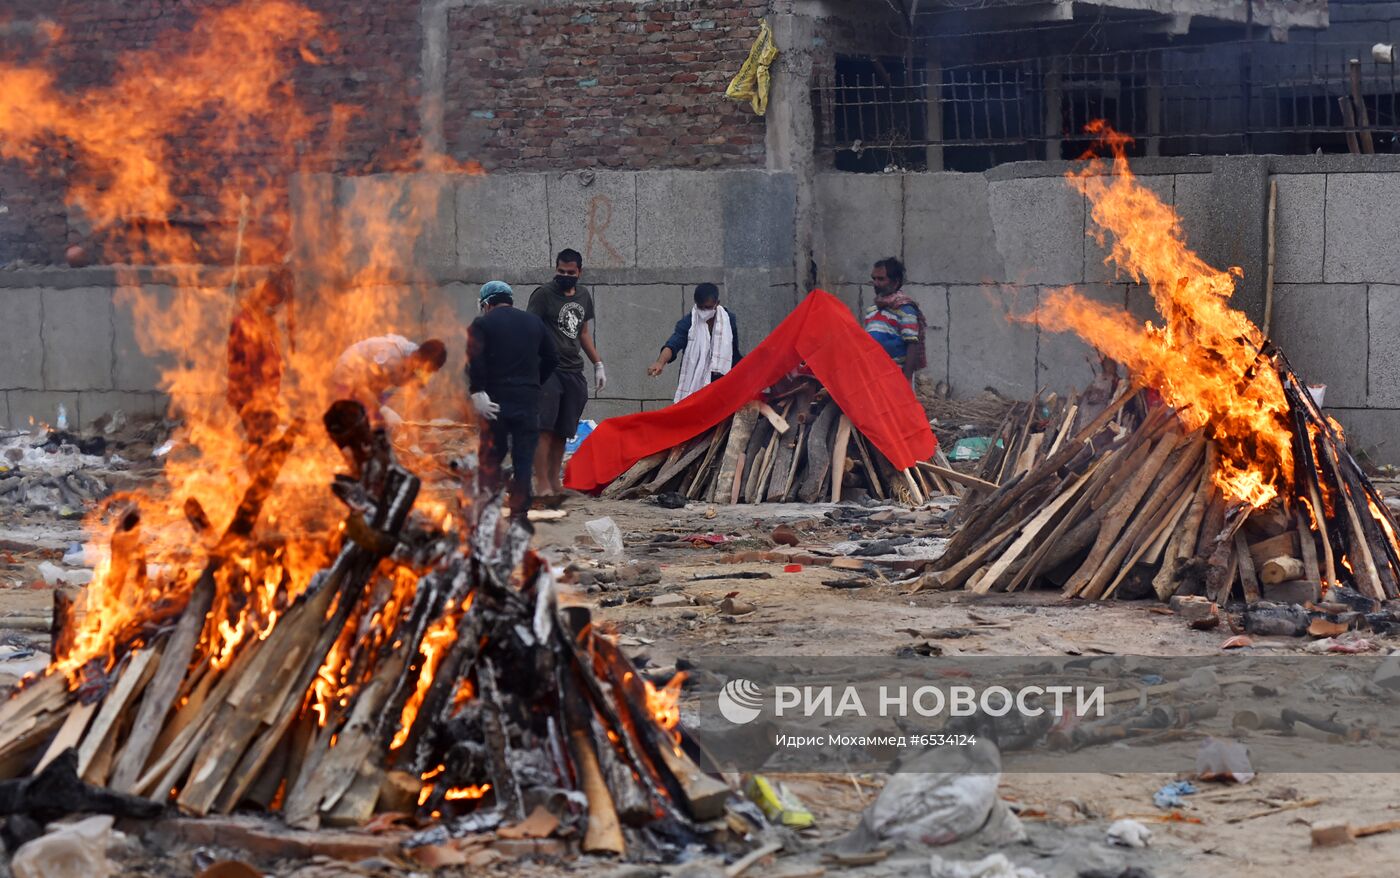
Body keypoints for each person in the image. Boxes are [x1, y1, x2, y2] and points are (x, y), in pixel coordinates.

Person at [467, 281, 558, 520]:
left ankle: (486, 508)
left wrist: (477, 391)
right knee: (524, 459)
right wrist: (535, 381)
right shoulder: (533, 322)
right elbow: (552, 357)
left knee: (491, 456)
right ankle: (519, 513)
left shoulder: (482, 324)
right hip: (527, 401)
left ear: (487, 304)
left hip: (494, 401)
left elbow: (474, 359)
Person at [528, 248, 604, 502]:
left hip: (574, 369)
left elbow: (583, 332)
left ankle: (554, 481)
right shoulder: (543, 295)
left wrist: (598, 363)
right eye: (560, 271)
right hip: (548, 369)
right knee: (544, 428)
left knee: (563, 429)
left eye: (570, 272)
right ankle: (541, 484)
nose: (564, 275)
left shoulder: (583, 295)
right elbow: (530, 330)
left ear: (579, 272)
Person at [648, 283, 743, 402]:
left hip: (723, 378)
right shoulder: (689, 322)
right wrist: (660, 362)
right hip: (695, 380)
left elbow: (733, 352)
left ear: (717, 303)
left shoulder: (729, 320)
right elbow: (673, 343)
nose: (704, 311)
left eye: (708, 307)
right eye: (700, 307)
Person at [226, 268, 290, 441]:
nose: (274, 309)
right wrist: (261, 397)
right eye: (271, 303)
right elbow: (249, 366)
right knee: (260, 438)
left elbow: (272, 357)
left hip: (265, 394)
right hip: (253, 395)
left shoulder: (264, 322)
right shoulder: (244, 324)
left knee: (266, 438)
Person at [330, 334, 447, 426]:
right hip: (349, 374)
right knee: (355, 420)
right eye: (426, 370)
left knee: (378, 420)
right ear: (420, 359)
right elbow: (360, 386)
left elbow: (418, 391)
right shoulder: (391, 357)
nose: (424, 374)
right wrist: (383, 410)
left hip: (369, 383)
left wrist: (432, 422)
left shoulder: (414, 354)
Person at [863, 257, 927, 378]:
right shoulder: (872, 310)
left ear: (895, 282)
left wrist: (906, 379)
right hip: (873, 374)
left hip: (895, 375)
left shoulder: (905, 309)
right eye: (874, 279)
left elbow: (912, 344)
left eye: (881, 279)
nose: (876, 283)